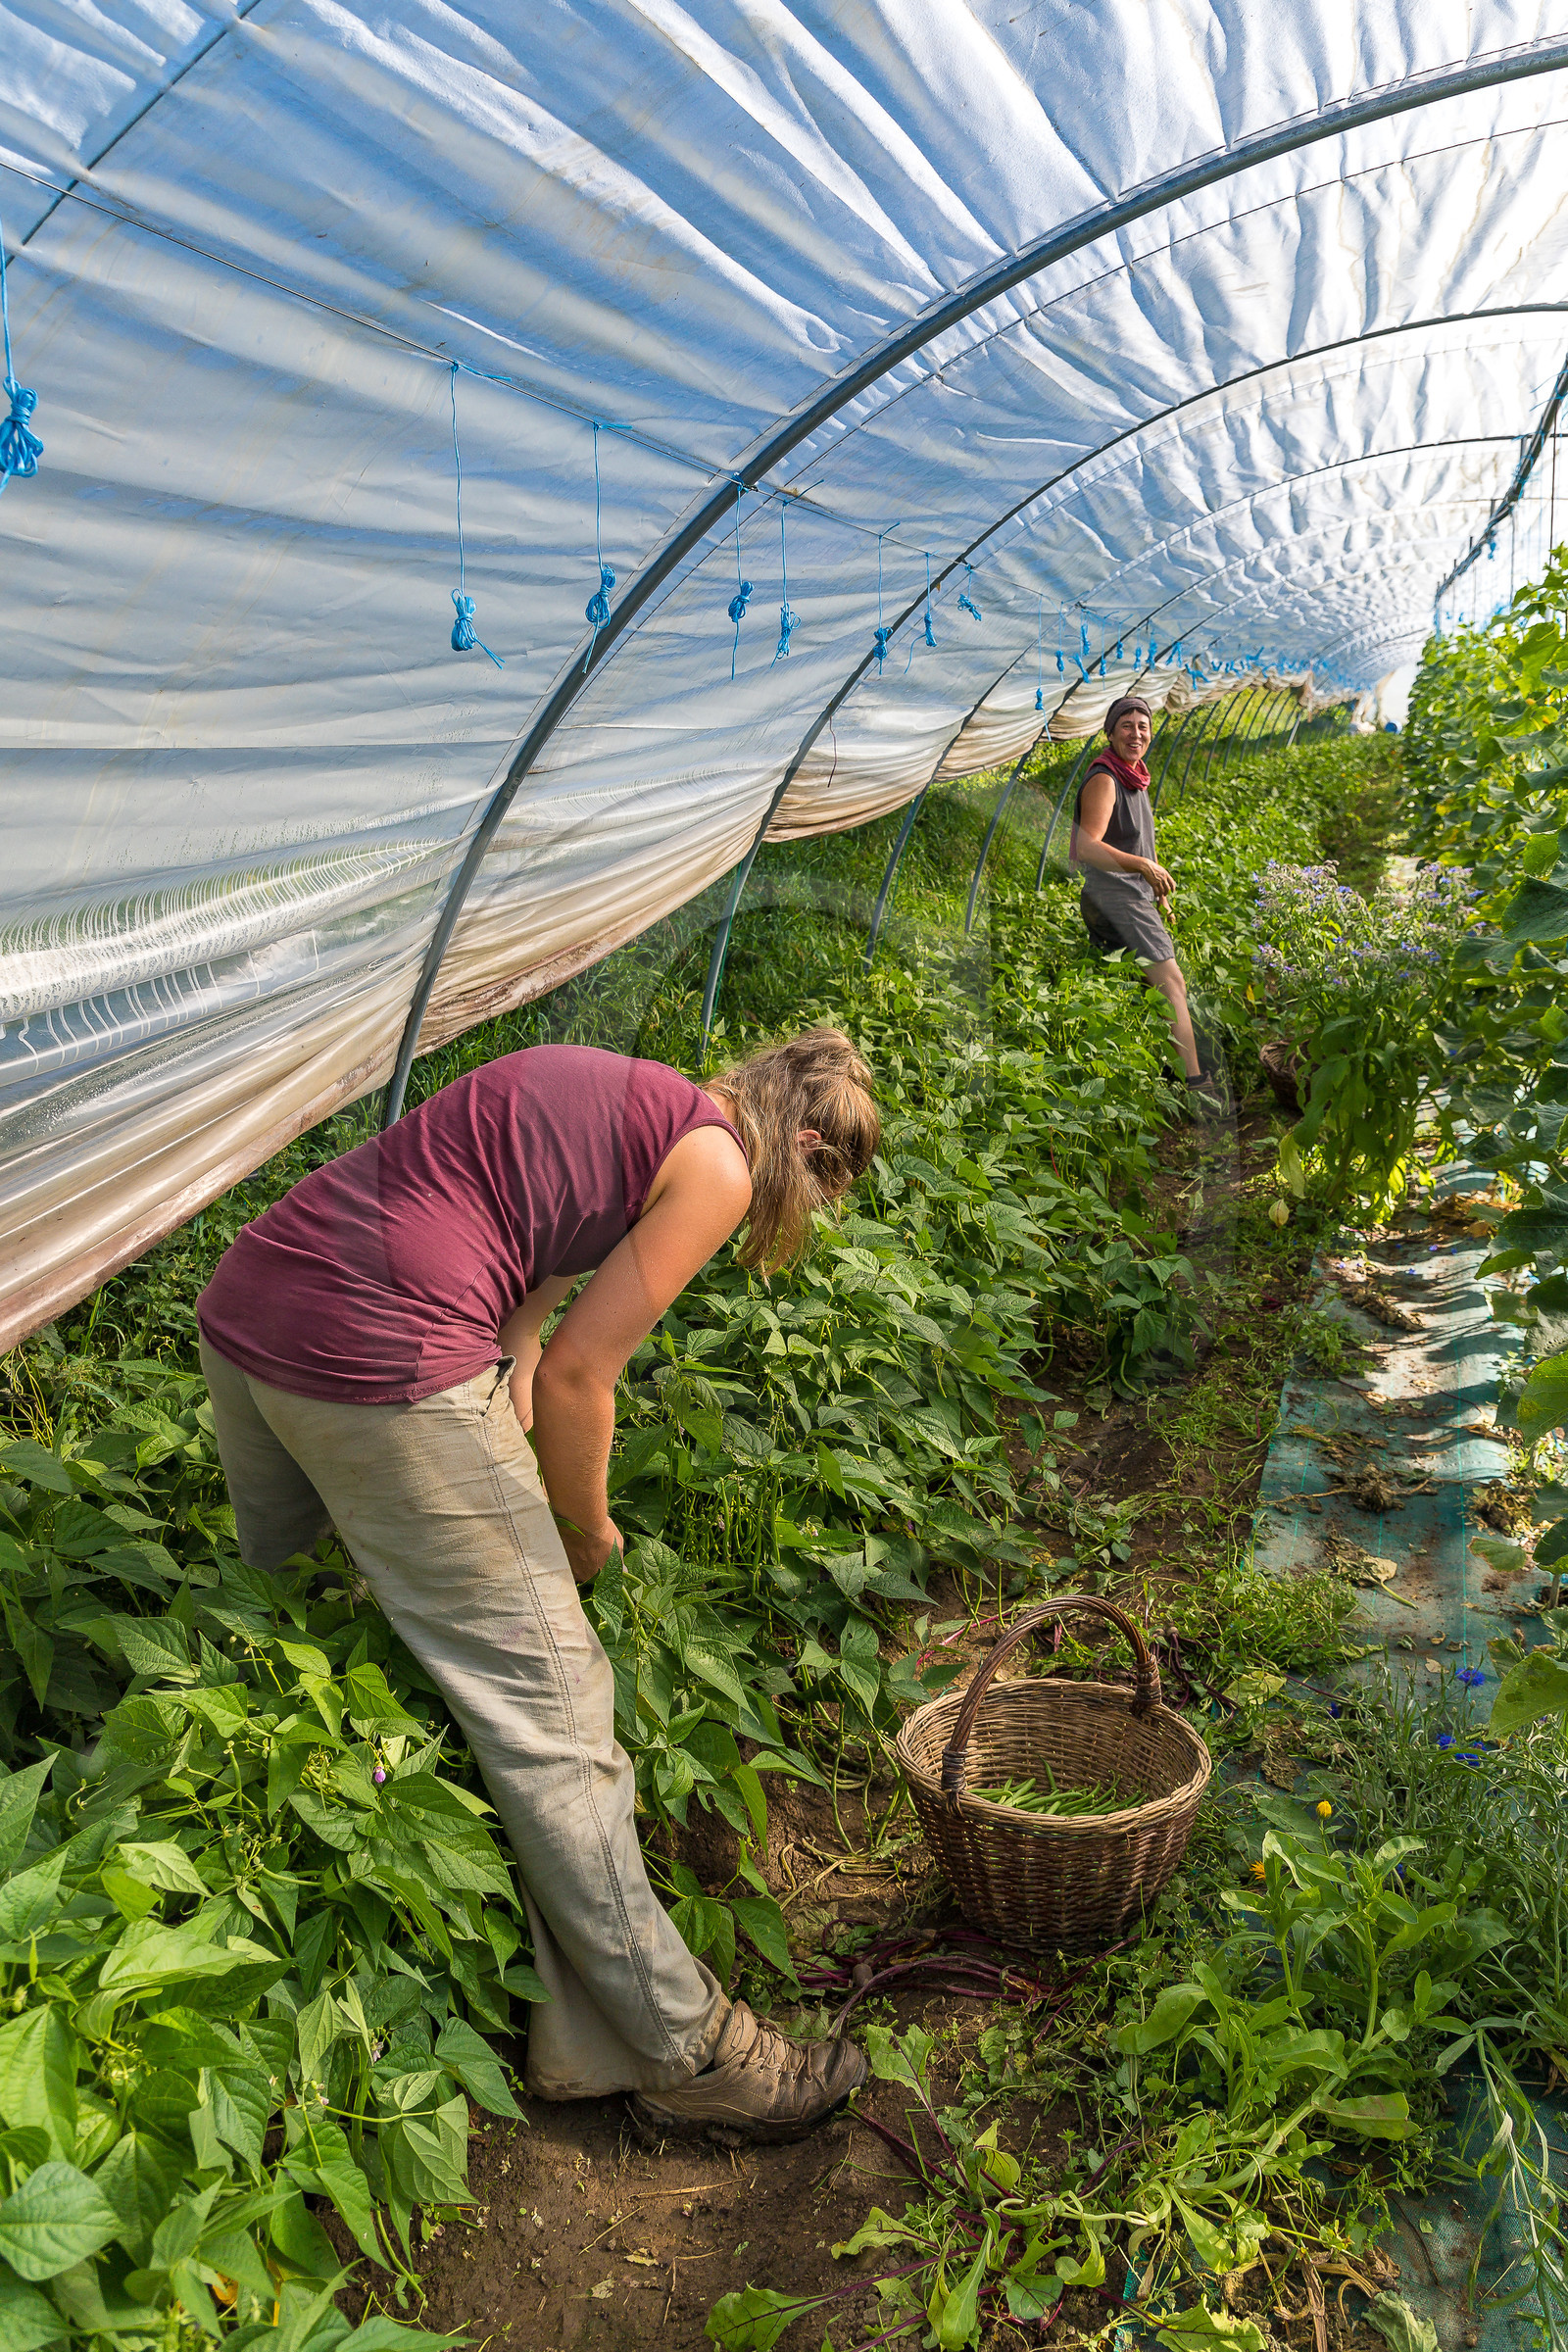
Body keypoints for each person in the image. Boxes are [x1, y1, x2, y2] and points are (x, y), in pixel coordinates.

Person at [195, 1030, 879, 2142]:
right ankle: (683, 2052)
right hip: (377, 1356)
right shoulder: (717, 1165)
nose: (793, 1207)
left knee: (302, 1626)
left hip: (255, 1311)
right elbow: (575, 1377)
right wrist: (581, 1528)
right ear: (804, 1143)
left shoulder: (614, 1093)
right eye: (817, 1187)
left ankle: (304, 1879)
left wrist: (505, 1448)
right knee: (556, 1713)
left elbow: (523, 1323)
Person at [1070, 694, 1221, 1109]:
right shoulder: (1106, 778)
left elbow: (1140, 844)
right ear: (1110, 732)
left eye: (1143, 726)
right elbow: (1087, 847)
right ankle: (1196, 1086)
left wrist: (1160, 896)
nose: (1136, 733)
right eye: (1126, 725)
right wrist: (1141, 867)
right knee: (1170, 980)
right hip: (1113, 897)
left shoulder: (1134, 776)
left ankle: (1167, 1073)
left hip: (1134, 896)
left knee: (1154, 987)